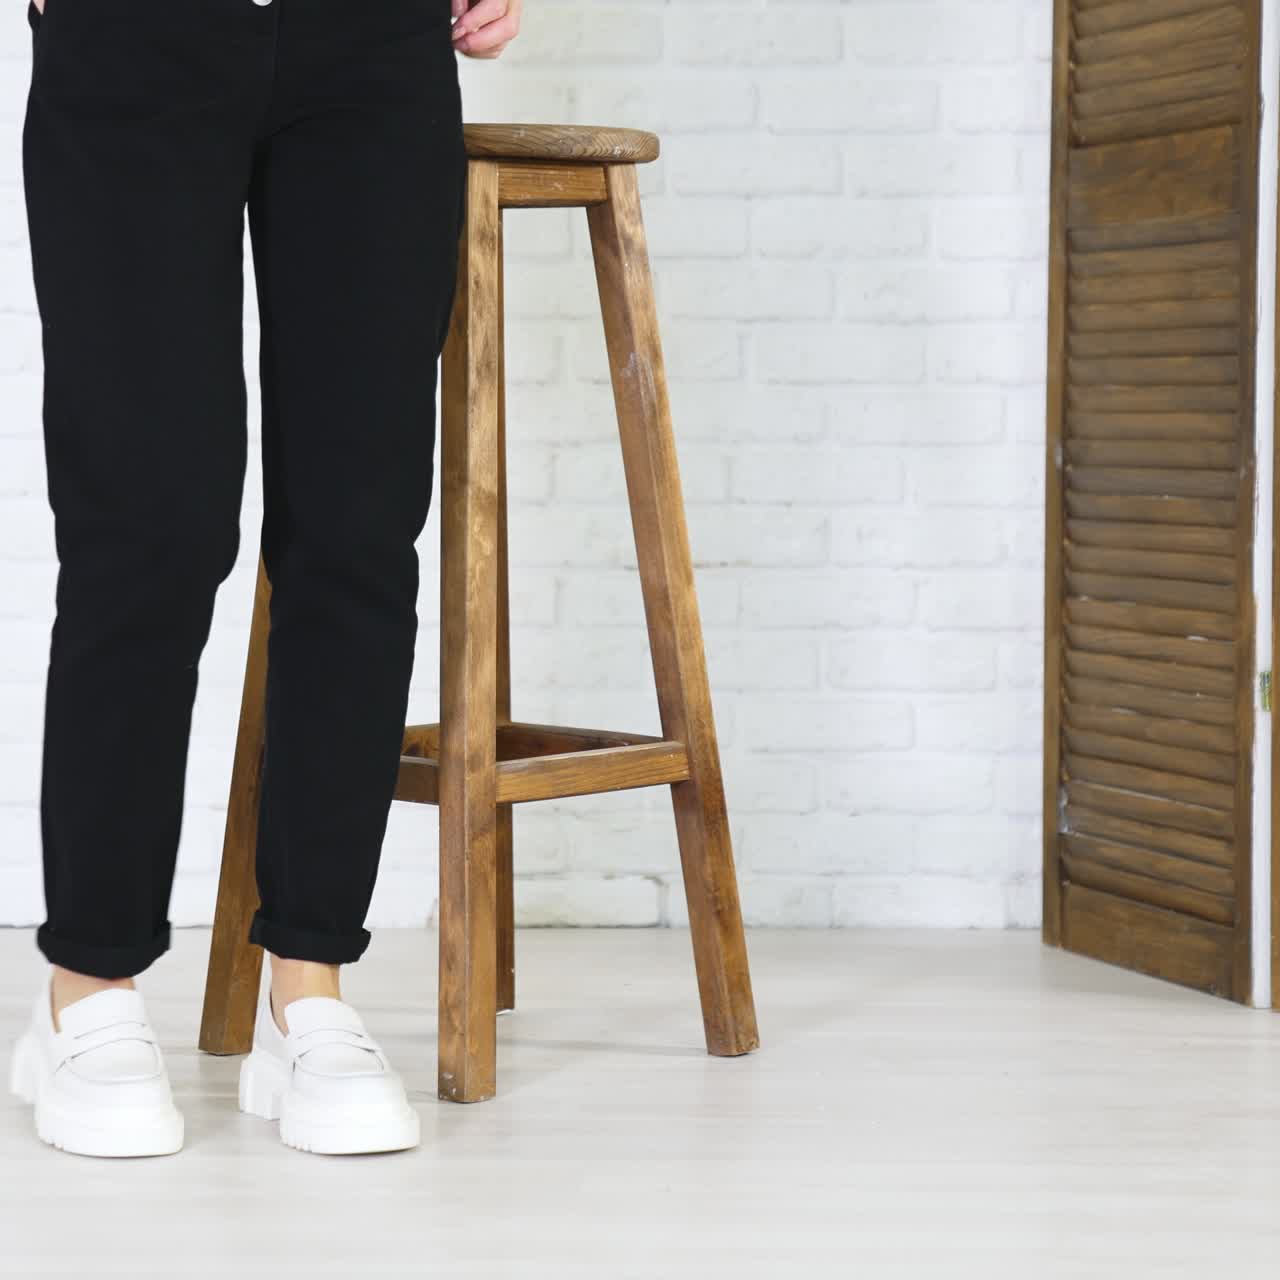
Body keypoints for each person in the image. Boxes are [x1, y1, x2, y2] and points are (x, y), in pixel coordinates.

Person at [6, 0, 523, 1159]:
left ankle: (311, 986)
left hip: (372, 46)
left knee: (356, 526)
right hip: (134, 37)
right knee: (148, 524)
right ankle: (85, 989)